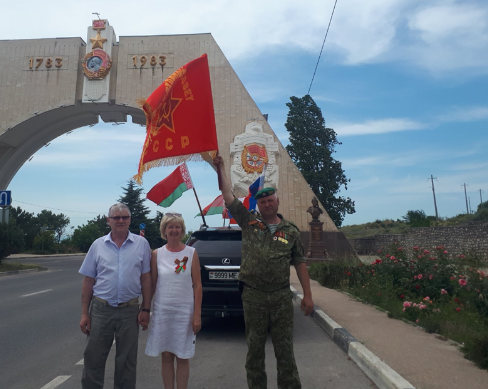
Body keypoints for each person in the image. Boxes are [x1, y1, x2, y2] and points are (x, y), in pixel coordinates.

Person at [214, 155, 314, 389]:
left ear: (277, 202)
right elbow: (228, 196)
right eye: (263, 202)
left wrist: (308, 295)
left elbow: (299, 263)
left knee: (285, 351)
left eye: (270, 200)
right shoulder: (250, 223)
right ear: (258, 205)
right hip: (254, 296)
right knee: (255, 351)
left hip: (280, 297)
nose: (267, 204)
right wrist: (220, 169)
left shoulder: (290, 230)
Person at [78, 203, 153, 389]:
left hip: (130, 311)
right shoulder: (98, 245)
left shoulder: (141, 244)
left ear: (130, 220)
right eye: (116, 217)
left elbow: (146, 279)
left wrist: (146, 308)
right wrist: (84, 314)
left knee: (126, 363)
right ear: (108, 220)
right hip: (101, 310)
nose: (121, 220)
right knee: (93, 359)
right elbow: (88, 281)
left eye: (125, 217)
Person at [145, 212, 202, 389]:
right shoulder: (157, 254)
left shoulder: (191, 253)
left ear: (182, 230)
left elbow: (197, 285)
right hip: (163, 313)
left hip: (184, 313)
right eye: (170, 226)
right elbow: (153, 284)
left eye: (178, 226)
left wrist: (197, 315)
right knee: (167, 356)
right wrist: (145, 309)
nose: (174, 230)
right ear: (164, 230)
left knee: (182, 357)